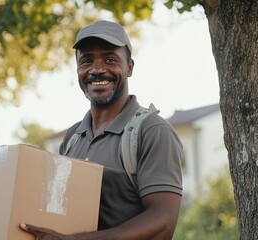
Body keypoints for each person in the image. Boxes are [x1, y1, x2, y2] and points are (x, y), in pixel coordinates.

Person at [21, 20, 183, 240]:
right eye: (87, 61)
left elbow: (163, 222)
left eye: (110, 59)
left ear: (129, 67)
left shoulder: (152, 131)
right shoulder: (73, 138)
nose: (97, 69)